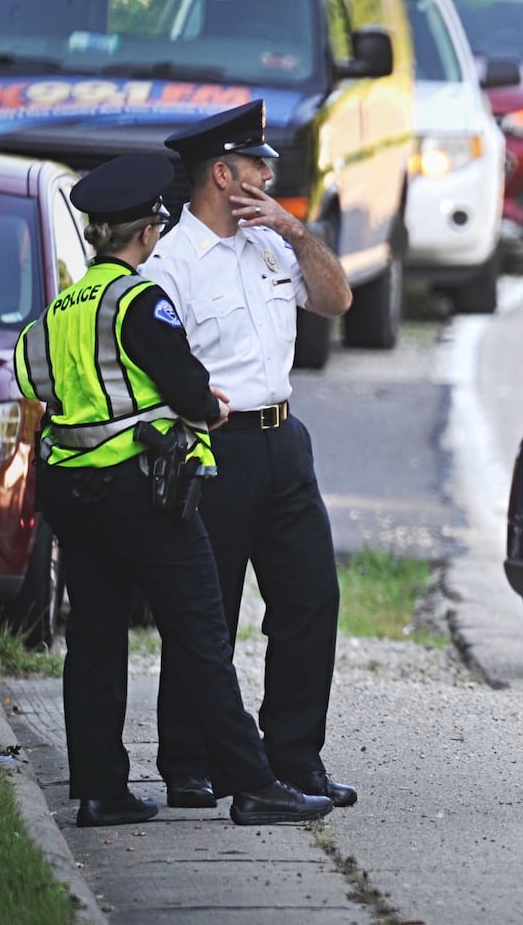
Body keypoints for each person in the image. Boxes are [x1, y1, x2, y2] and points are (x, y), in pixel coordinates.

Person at [13, 154, 334, 828]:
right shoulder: (139, 299)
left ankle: (101, 790)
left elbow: (32, 381)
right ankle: (253, 784)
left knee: (96, 638)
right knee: (200, 634)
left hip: (72, 493)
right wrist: (206, 408)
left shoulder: (60, 310)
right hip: (140, 491)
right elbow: (188, 389)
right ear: (146, 233)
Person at [142, 100, 359, 811]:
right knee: (209, 612)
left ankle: (294, 756)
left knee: (311, 600)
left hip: (283, 442)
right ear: (222, 172)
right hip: (214, 448)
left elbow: (336, 300)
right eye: (259, 164)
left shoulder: (271, 244)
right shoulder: (169, 264)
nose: (270, 174)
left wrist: (299, 233)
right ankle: (188, 760)